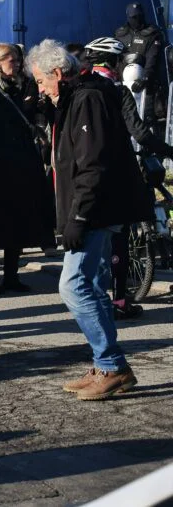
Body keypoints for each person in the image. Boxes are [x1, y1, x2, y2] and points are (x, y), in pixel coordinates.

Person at [28, 39, 146, 401]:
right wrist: (45, 109)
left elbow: (92, 165)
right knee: (92, 287)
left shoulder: (88, 99)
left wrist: (78, 217)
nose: (40, 89)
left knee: (72, 285)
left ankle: (111, 365)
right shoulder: (78, 96)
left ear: (58, 74)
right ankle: (105, 364)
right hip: (95, 208)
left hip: (96, 209)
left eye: (41, 82)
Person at [82, 36, 173, 319]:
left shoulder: (80, 89)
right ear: (114, 62)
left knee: (95, 235)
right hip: (119, 172)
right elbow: (140, 132)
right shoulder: (117, 91)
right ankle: (120, 301)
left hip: (87, 171)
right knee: (120, 236)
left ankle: (94, 300)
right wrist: (167, 148)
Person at [0, 43, 53, 295]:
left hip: (20, 168)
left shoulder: (15, 89)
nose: (16, 65)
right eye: (10, 61)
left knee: (16, 222)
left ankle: (11, 276)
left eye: (17, 60)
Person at [114, 2, 164, 118]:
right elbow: (116, 59)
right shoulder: (120, 34)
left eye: (139, 16)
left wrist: (144, 78)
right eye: (134, 17)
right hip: (125, 85)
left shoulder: (151, 34)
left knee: (145, 119)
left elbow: (152, 59)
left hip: (145, 86)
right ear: (128, 17)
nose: (137, 19)